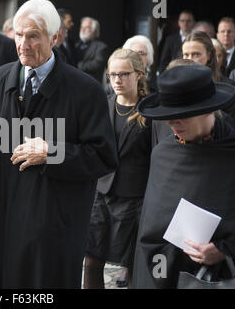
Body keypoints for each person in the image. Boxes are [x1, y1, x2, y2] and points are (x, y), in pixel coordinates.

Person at [0, 0, 118, 288]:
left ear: (55, 38)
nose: (23, 43)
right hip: (5, 223)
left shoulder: (86, 90)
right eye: (18, 35)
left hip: (54, 226)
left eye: (33, 36)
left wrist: (53, 152)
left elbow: (104, 157)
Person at [134, 64, 235, 289]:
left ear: (208, 108)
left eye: (181, 116)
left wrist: (225, 249)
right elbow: (151, 231)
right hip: (167, 275)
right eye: (168, 116)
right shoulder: (163, 155)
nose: (171, 123)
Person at [84, 49, 151, 289]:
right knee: (91, 261)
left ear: (139, 74)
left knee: (131, 264)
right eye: (112, 75)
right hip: (101, 194)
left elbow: (156, 156)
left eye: (123, 74)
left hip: (133, 198)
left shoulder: (149, 110)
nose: (117, 80)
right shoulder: (104, 104)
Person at [182, 31, 235, 123]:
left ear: (209, 55)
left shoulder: (228, 88)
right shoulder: (177, 87)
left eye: (196, 54)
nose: (190, 59)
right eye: (186, 55)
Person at [75, 17, 108, 83]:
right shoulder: (75, 45)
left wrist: (76, 65)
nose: (83, 29)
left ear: (95, 30)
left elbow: (96, 64)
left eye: (87, 27)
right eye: (82, 27)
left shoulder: (101, 47)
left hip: (90, 83)